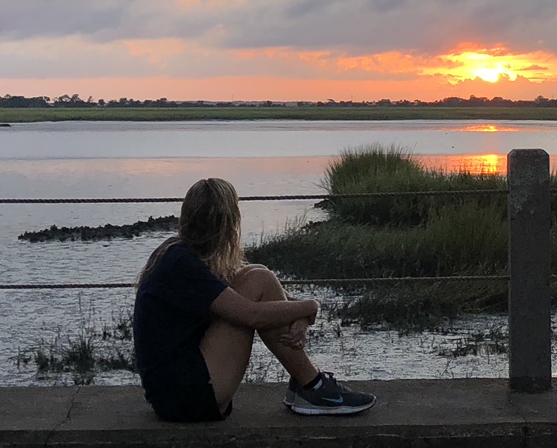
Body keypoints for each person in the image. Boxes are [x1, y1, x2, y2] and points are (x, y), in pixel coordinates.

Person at [133, 176, 376, 421]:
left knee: (255, 273)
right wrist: (311, 305)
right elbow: (252, 314)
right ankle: (313, 388)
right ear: (229, 222)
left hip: (176, 393)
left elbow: (263, 297)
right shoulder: (181, 264)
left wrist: (301, 314)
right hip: (185, 398)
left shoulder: (179, 253)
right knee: (259, 279)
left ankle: (307, 385)